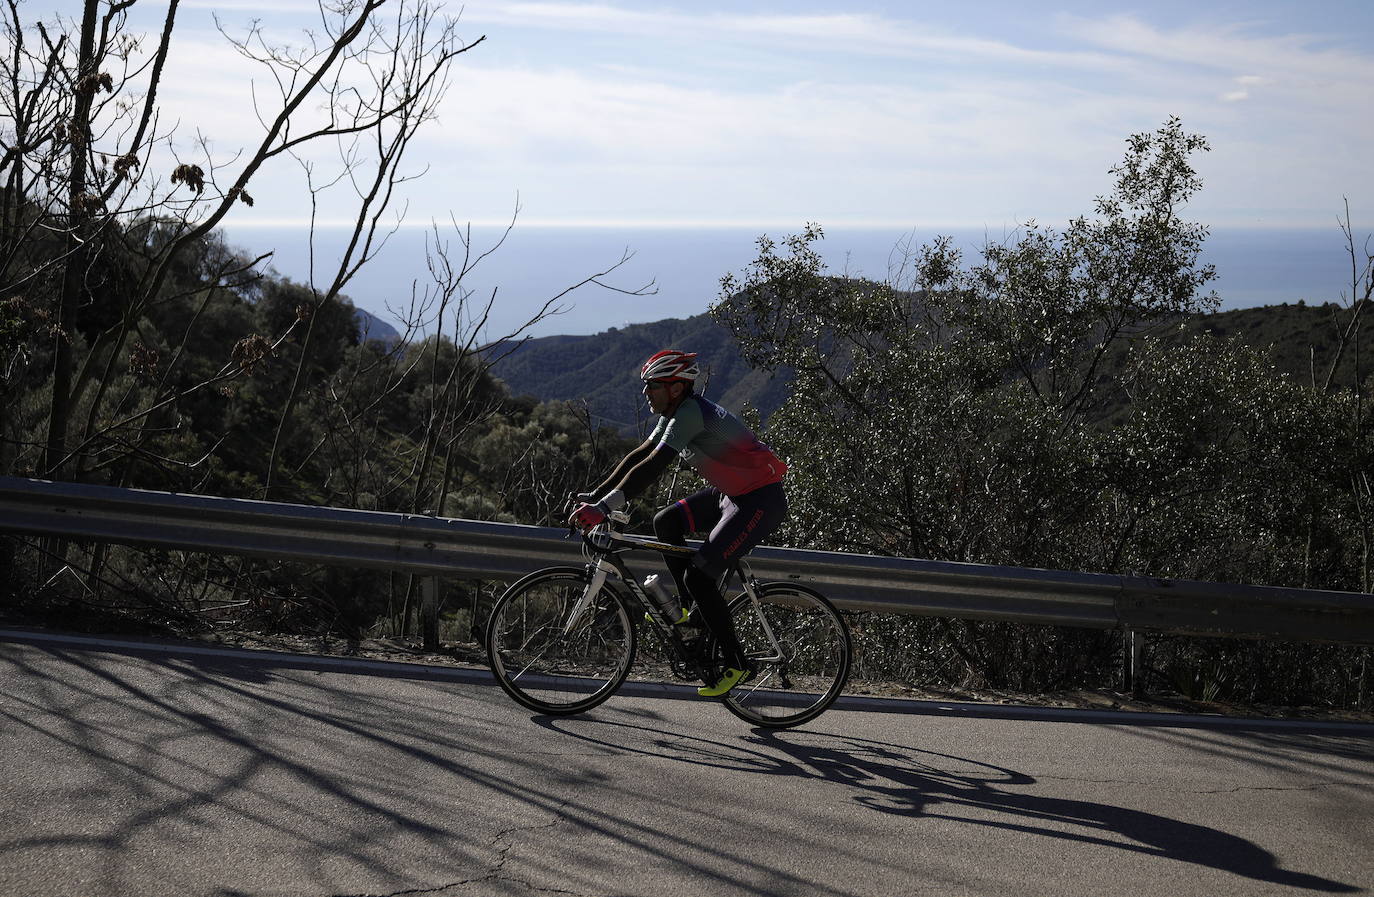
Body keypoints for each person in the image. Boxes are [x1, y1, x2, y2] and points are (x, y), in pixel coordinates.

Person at [569, 349, 788, 697]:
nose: (645, 393)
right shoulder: (676, 412)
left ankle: (738, 663)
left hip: (760, 501)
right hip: (731, 494)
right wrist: (596, 497)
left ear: (674, 388)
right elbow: (640, 454)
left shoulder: (689, 414)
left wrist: (605, 507)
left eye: (652, 386)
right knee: (666, 521)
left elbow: (655, 467)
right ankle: (689, 615)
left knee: (700, 575)